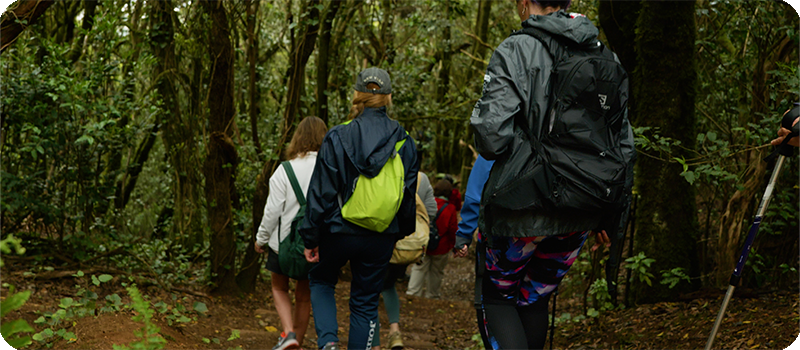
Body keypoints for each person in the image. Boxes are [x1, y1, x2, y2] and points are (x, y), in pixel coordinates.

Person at [465, 1, 634, 349]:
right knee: (534, 298)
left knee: (498, 296)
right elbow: (622, 145)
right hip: (582, 209)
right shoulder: (607, 58)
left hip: (522, 205)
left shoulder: (516, 48)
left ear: (525, 4)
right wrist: (610, 215)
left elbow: (492, 138)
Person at [299, 67, 419, 350]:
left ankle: (328, 342)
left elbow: (321, 191)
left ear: (357, 95)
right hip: (380, 235)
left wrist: (310, 236)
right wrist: (396, 234)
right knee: (365, 302)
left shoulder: (338, 136)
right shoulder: (405, 142)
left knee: (321, 280)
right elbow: (407, 195)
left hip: (338, 230)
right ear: (388, 98)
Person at [255, 116, 328, 350]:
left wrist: (261, 239)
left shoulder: (284, 170)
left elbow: (272, 210)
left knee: (278, 287)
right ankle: (299, 340)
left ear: (297, 138)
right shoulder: (329, 169)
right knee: (304, 296)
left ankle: (289, 334)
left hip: (282, 243)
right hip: (315, 243)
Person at [377, 171, 436, 350]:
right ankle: (395, 332)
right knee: (388, 285)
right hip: (406, 248)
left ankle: (373, 343)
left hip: (377, 242)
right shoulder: (421, 178)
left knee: (368, 288)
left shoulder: (377, 170)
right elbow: (431, 211)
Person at [407, 178, 459, 299]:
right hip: (441, 246)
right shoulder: (450, 208)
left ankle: (413, 293)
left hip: (423, 243)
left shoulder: (426, 203)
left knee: (418, 268)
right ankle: (433, 295)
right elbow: (453, 229)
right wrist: (454, 245)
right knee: (436, 272)